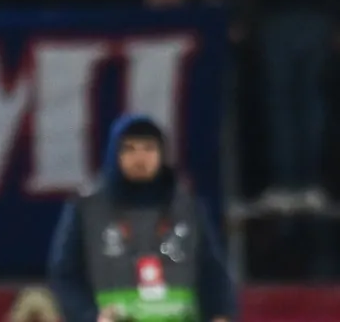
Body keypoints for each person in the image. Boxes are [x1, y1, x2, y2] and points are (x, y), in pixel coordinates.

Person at [47, 114, 236, 322]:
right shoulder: (87, 208)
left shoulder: (188, 207)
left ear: (162, 154)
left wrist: (221, 314)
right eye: (130, 149)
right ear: (114, 154)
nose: (140, 158)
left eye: (149, 148)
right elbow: (65, 274)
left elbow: (213, 271)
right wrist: (89, 317)